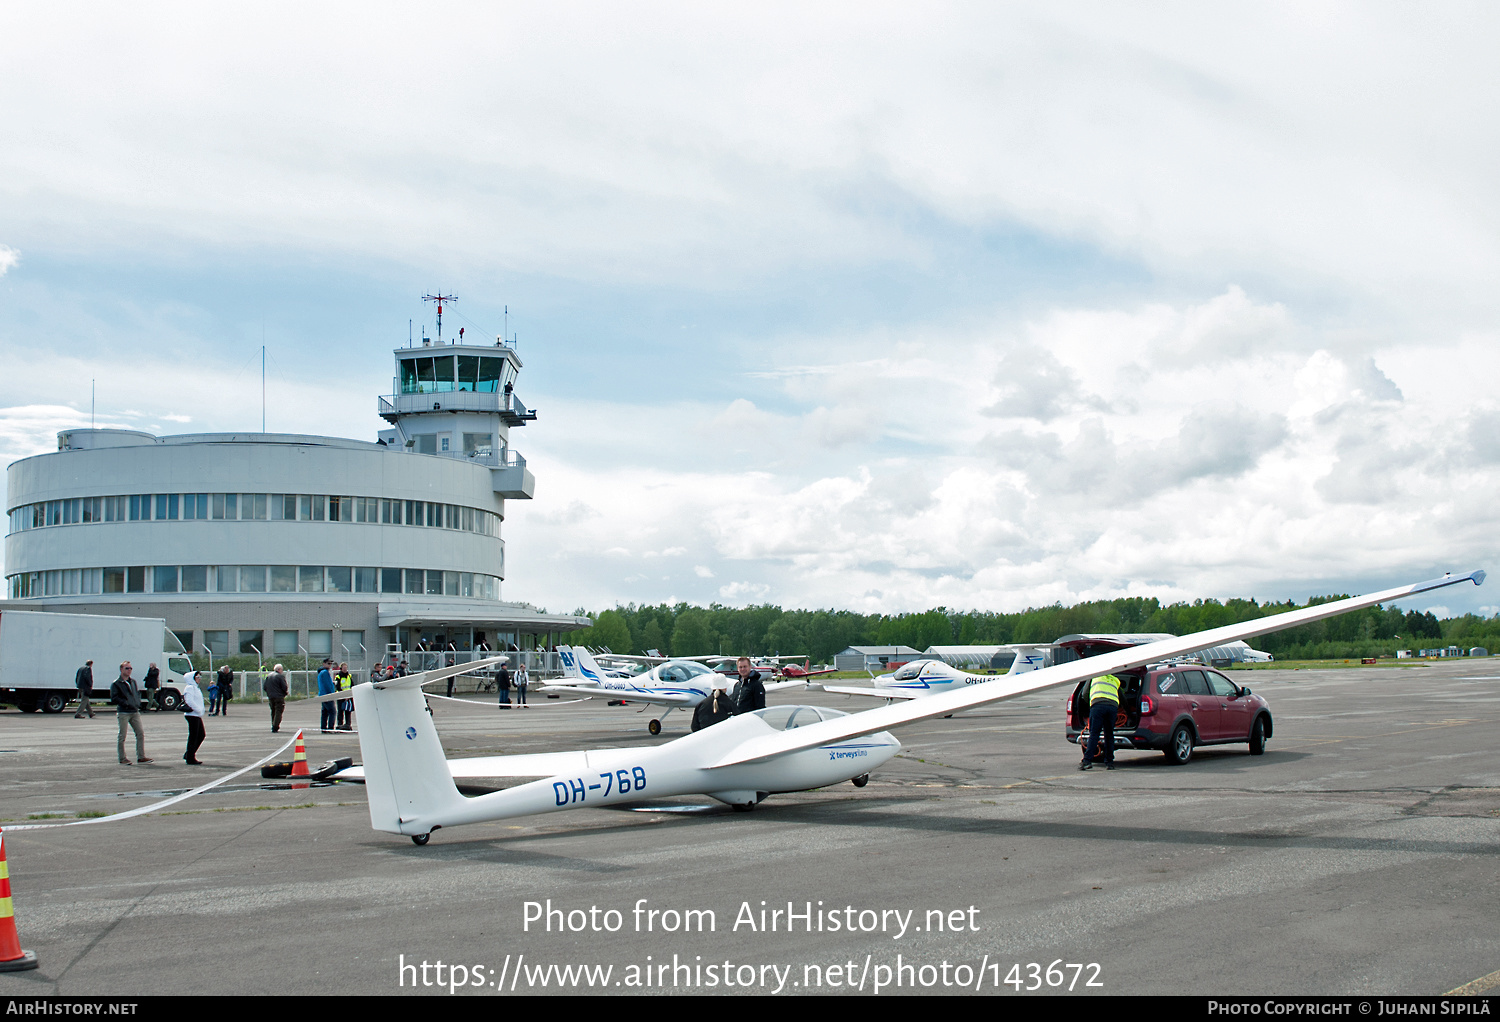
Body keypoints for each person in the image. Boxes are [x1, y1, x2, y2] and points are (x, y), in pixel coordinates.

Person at [110, 662, 152, 764]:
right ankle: (122, 758)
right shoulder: (116, 683)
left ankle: (141, 756)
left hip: (134, 711)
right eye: (127, 668)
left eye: (130, 668)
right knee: (122, 735)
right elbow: (114, 698)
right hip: (124, 712)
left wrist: (137, 703)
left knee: (140, 733)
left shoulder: (133, 682)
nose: (129, 670)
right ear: (121, 669)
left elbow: (135, 693)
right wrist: (126, 703)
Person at [1080, 671, 1121, 771]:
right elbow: (1121, 697)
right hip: (1112, 707)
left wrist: (1091, 703)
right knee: (1109, 735)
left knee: (1094, 734)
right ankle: (1109, 763)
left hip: (1098, 705)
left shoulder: (1094, 675)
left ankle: (1087, 761)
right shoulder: (1116, 680)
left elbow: (1084, 693)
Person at [181, 670, 206, 765]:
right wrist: (198, 710)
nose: (199, 679)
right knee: (194, 736)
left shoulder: (195, 688)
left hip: (196, 715)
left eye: (200, 677)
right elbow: (189, 701)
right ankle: (190, 757)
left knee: (200, 735)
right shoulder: (190, 688)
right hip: (192, 715)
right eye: (197, 677)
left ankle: (189, 754)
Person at [263, 664, 289, 733]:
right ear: (279, 670)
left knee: (273, 710)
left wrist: (269, 693)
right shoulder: (280, 676)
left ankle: (273, 724)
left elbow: (264, 687)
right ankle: (275, 726)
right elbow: (284, 687)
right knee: (278, 711)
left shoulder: (269, 676)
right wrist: (285, 693)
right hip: (279, 696)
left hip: (271, 696)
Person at [317, 659, 336, 733]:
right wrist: (332, 694)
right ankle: (330, 728)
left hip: (323, 694)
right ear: (324, 664)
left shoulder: (322, 672)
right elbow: (327, 685)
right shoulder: (325, 673)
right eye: (328, 663)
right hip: (327, 695)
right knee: (332, 712)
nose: (330, 665)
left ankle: (323, 728)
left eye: (331, 664)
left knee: (325, 712)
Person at [335, 663, 354, 731]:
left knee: (348, 711)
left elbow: (352, 685)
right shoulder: (338, 676)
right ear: (341, 668)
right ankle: (340, 724)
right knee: (340, 711)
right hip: (341, 697)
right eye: (344, 668)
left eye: (346, 668)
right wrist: (343, 695)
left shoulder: (349, 676)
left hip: (348, 697)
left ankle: (348, 724)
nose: (345, 669)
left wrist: (349, 695)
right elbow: (338, 687)